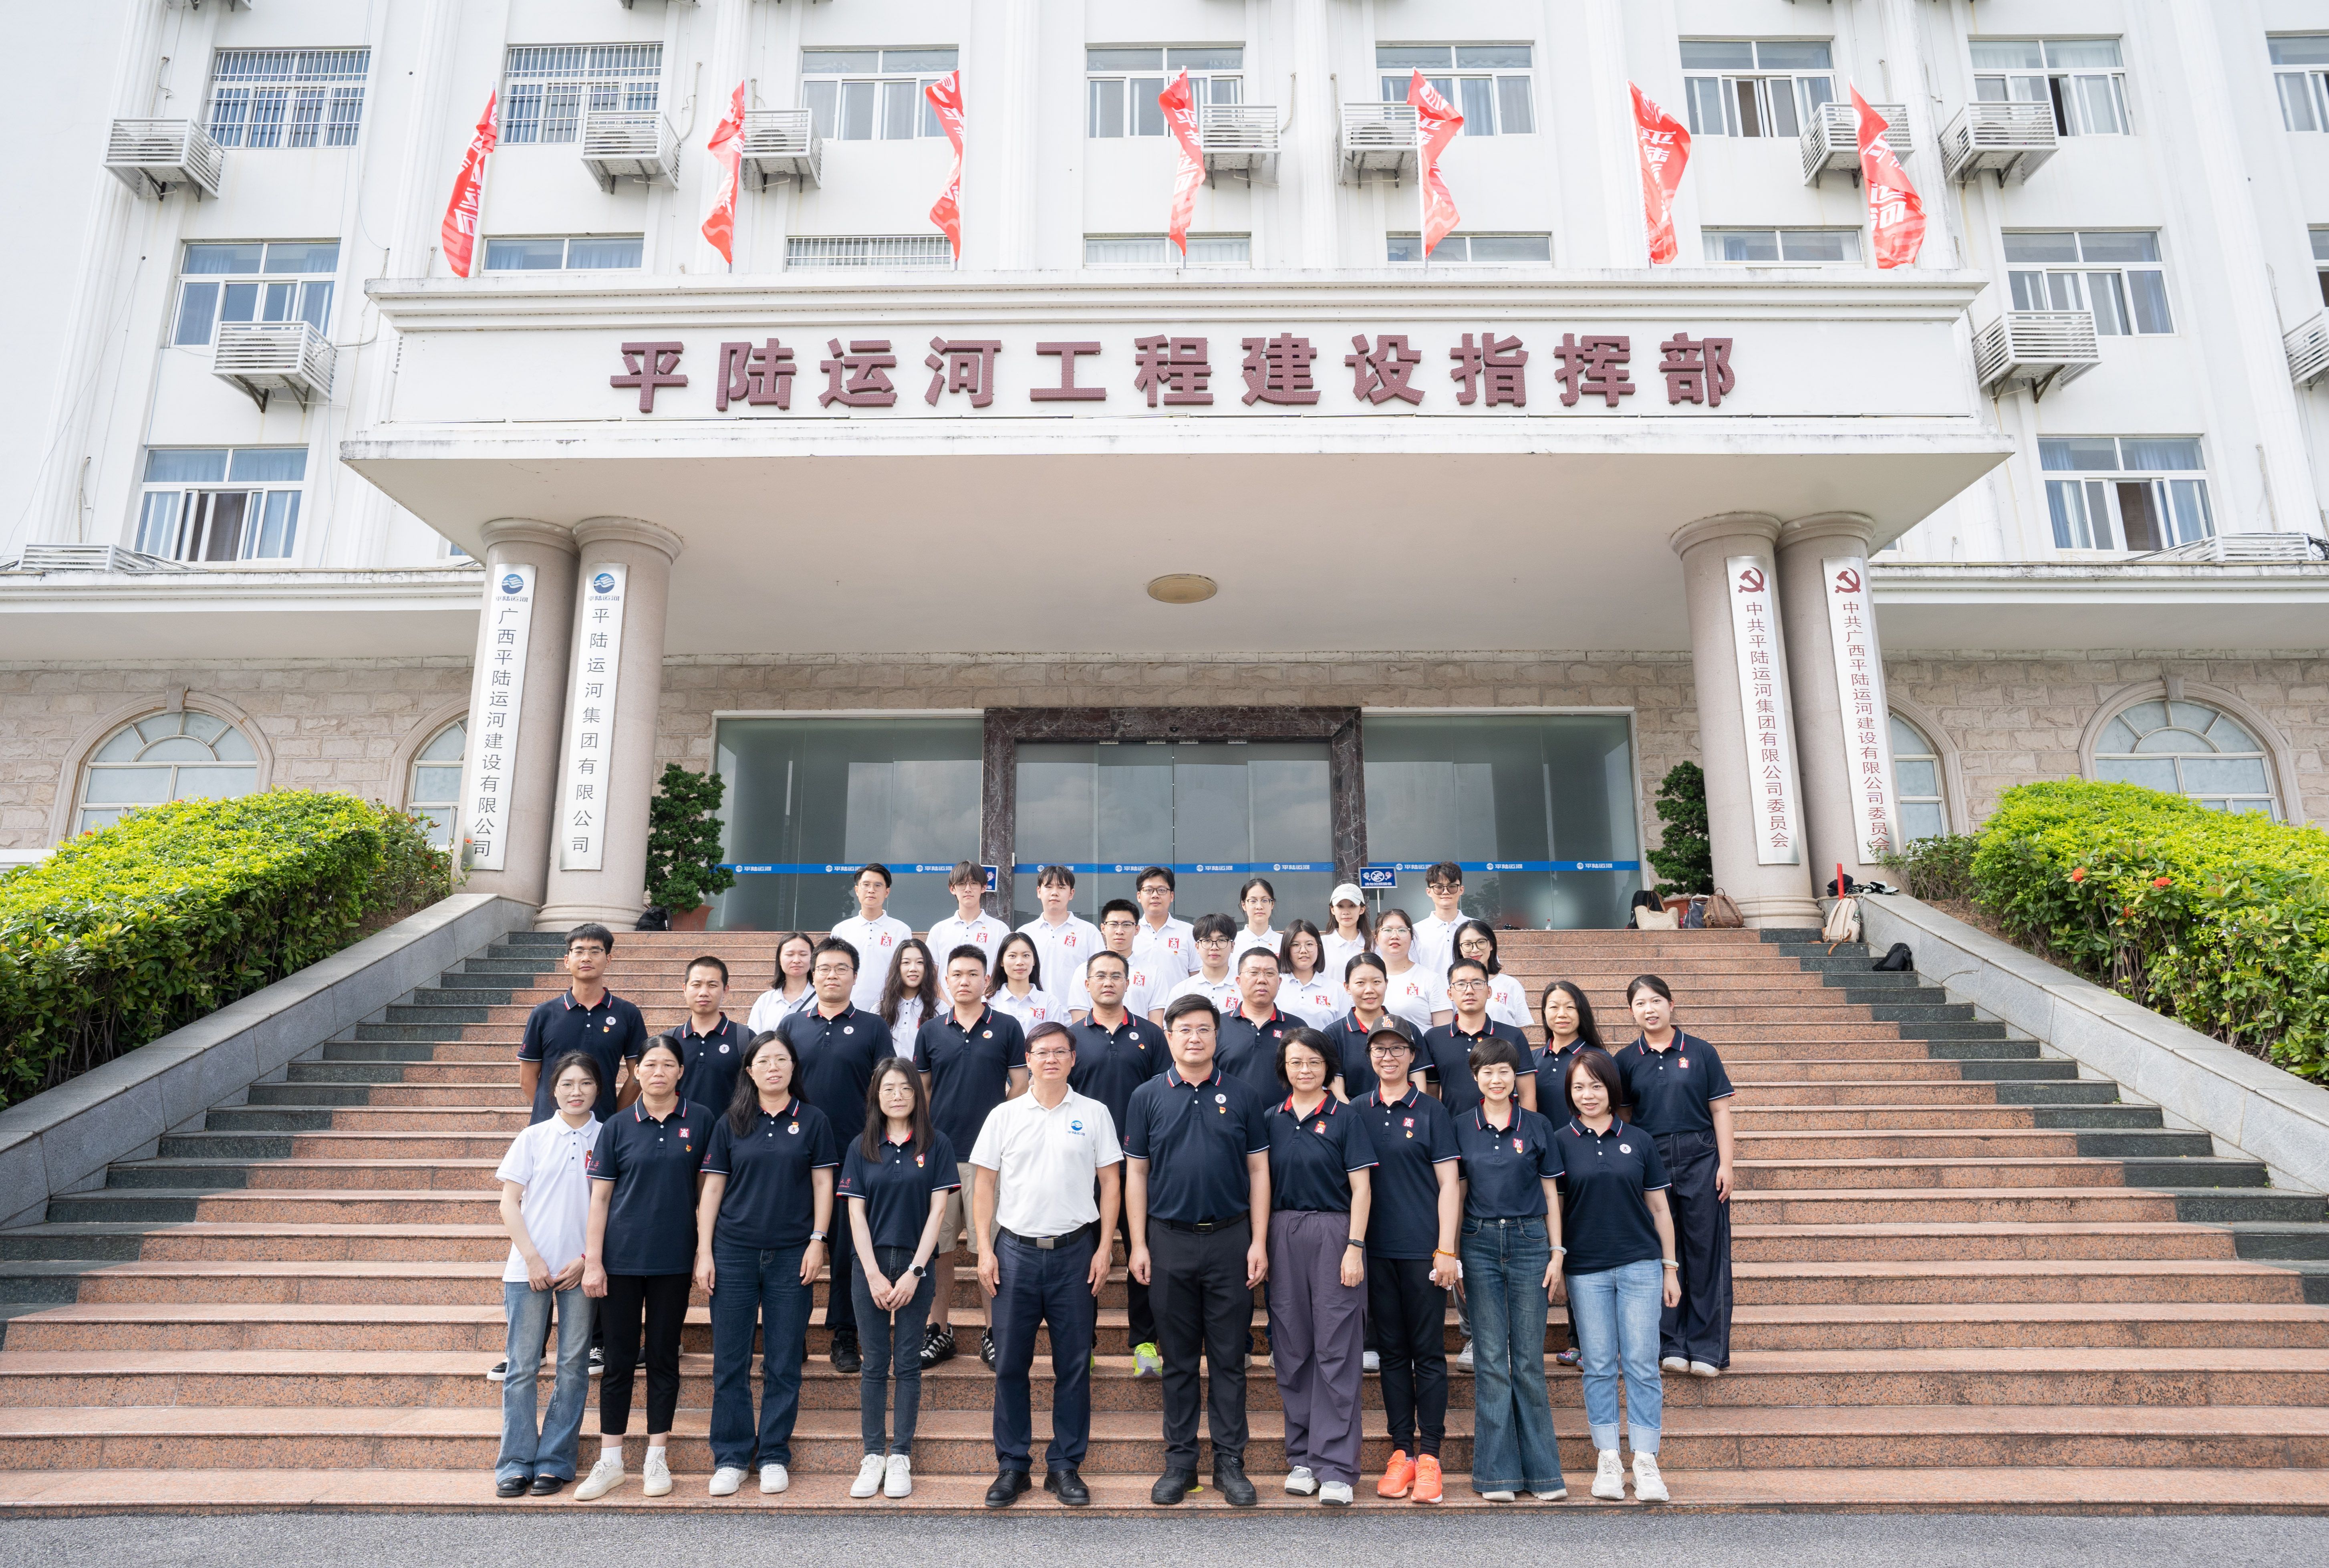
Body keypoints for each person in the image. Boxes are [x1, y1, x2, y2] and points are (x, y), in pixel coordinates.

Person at [1123, 995, 1273, 1508]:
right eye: (1184, 1028)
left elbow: (1259, 1170)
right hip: (1169, 1240)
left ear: (1217, 1035)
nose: (1194, 1037)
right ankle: (1180, 1461)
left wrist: (1258, 1240)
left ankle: (1230, 1461)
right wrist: (1138, 1243)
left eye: (1204, 1028)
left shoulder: (1244, 1094)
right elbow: (1137, 1173)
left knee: (1230, 1358)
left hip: (1232, 1239)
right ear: (1168, 1035)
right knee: (1180, 1359)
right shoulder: (1146, 1095)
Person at [972, 1020, 1124, 1508]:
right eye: (1042, 1052)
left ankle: (1065, 1465)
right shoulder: (1005, 1115)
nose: (1052, 1059)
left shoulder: (1095, 1113)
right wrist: (984, 1248)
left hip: (1076, 1251)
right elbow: (984, 1184)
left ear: (1074, 1059)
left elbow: (1112, 1182)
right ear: (1029, 1059)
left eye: (1061, 1051)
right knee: (1010, 1363)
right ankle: (1013, 1464)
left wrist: (1105, 1247)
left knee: (1074, 1364)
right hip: (1015, 1252)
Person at [694, 1032, 838, 1497]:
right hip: (733, 1251)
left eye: (781, 1059)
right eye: (763, 1060)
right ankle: (732, 1455)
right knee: (730, 1361)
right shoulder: (731, 1121)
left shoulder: (813, 1120)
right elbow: (713, 1188)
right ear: (750, 1070)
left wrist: (818, 1241)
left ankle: (774, 1452)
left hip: (792, 1253)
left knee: (783, 1360)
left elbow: (823, 1185)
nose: (773, 1067)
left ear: (794, 1066)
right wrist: (705, 1250)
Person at [575, 1036, 709, 1500]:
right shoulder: (617, 1125)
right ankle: (611, 1460)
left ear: (681, 1072)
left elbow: (707, 1193)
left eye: (668, 1064)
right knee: (617, 1361)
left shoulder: (700, 1120)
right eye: (650, 1064)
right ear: (636, 1071)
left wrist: (704, 1251)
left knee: (663, 1358)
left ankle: (656, 1456)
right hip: (621, 1260)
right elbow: (600, 1199)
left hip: (674, 1259)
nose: (658, 1072)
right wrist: (594, 1261)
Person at [1558, 1048, 1680, 1505]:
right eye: (1578, 1087)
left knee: (1643, 1363)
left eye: (1596, 1085)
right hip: (1585, 1269)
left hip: (1640, 1265)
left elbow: (1660, 1209)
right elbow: (1556, 1208)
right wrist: (1557, 1261)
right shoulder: (1560, 1141)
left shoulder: (1640, 1140)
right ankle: (1608, 1457)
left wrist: (1670, 1267)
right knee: (1599, 1365)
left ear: (1611, 1088)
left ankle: (1646, 1460)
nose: (1588, 1095)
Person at [1263, 1028, 1376, 1507]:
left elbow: (1362, 1188)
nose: (1305, 1069)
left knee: (1336, 1347)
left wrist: (1354, 1245)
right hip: (1282, 1231)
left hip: (1334, 1232)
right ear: (1284, 1068)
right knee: (1292, 1346)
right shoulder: (1271, 1119)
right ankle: (1304, 1457)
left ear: (1328, 1066)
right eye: (1296, 1061)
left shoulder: (1346, 1117)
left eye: (1313, 1061)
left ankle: (1336, 1466)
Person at [837, 1058, 958, 1500]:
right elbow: (855, 1213)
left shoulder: (936, 1144)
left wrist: (915, 1272)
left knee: (907, 1363)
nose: (898, 1095)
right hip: (868, 1265)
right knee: (874, 1363)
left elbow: (938, 1212)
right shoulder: (862, 1145)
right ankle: (873, 1454)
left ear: (917, 1095)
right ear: (876, 1095)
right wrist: (872, 1274)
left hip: (915, 1264)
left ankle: (901, 1454)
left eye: (906, 1087)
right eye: (888, 1088)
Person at [1453, 1036, 1567, 1504]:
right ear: (1475, 1077)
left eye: (1504, 1071)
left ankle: (1544, 1474)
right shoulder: (1461, 1125)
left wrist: (1557, 1252)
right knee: (1491, 1360)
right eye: (1487, 1071)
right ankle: (1496, 1474)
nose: (1496, 1079)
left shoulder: (1537, 1125)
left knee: (1528, 1361)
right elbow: (1457, 1192)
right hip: (1478, 1241)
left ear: (1516, 1077)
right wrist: (1452, 1252)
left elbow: (1551, 1193)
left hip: (1530, 1242)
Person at [776, 937, 897, 1377]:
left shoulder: (873, 1027)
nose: (832, 975)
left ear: (855, 976)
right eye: (824, 967)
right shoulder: (792, 1024)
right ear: (812, 974)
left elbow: (887, 1089)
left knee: (848, 1249)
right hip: (796, 1152)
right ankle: (790, 1335)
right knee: (795, 1245)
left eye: (841, 968)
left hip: (854, 1153)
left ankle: (845, 1334)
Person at [1353, 1026, 1460, 1505]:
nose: (1389, 1056)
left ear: (1413, 1055)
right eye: (1380, 1049)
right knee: (1392, 1354)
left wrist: (1446, 1248)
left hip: (1423, 1252)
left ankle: (1431, 1454)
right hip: (1376, 1252)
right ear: (1369, 1055)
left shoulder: (1432, 1111)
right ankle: (1402, 1452)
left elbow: (1450, 1184)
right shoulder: (1358, 1110)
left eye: (1398, 1048)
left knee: (1429, 1352)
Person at [492, 1052, 600, 1497]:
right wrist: (533, 1259)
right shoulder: (533, 1137)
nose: (577, 1091)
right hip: (527, 1269)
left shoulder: (608, 1136)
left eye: (586, 1083)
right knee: (521, 1367)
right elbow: (508, 1203)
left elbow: (613, 1207)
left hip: (581, 1270)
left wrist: (587, 1259)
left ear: (598, 1089)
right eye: (567, 1084)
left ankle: (555, 1461)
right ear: (552, 1090)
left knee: (573, 1367)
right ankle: (515, 1462)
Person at [1618, 974, 1737, 1381]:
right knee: (1661, 1250)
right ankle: (1670, 1342)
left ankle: (1707, 1347)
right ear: (1631, 1012)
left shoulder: (1701, 1052)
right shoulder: (1626, 1059)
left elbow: (1720, 1110)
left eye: (1655, 1000)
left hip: (1701, 1155)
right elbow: (1625, 1116)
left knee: (1705, 1249)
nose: (1649, 1009)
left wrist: (1726, 1164)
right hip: (1650, 1158)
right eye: (1640, 1003)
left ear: (1671, 1004)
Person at [916, 945, 1029, 1369]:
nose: (964, 981)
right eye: (957, 974)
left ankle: (994, 1332)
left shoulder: (1007, 1027)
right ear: (946, 980)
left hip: (990, 1160)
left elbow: (1021, 1082)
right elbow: (923, 1090)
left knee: (991, 1248)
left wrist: (999, 1122)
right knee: (940, 1249)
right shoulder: (931, 1030)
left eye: (973, 974)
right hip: (941, 1156)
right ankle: (938, 1330)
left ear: (987, 980)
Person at [1066, 949, 1168, 1379]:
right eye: (1100, 976)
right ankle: (1082, 1343)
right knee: (1082, 1259)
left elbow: (1165, 1097)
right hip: (1084, 1170)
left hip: (1140, 1168)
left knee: (1143, 1256)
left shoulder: (1151, 1035)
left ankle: (1144, 1343)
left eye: (1116, 976)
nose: (1108, 982)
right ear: (1087, 984)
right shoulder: (1070, 1037)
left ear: (1129, 983)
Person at [1529, 979, 1609, 1368]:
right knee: (1551, 1247)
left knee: (1584, 1247)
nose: (1561, 1014)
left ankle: (1584, 1339)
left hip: (1587, 1165)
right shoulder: (1533, 1058)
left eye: (1569, 1007)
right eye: (1553, 1007)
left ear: (1582, 1013)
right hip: (1544, 1167)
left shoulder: (1596, 1057)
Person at [516, 923, 645, 1125]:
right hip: (550, 1128)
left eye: (595, 951)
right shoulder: (543, 1014)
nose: (586, 958)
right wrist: (554, 1115)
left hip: (601, 1126)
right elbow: (527, 1079)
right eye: (579, 951)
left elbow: (638, 1074)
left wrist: (614, 1118)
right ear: (567, 961)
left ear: (608, 959)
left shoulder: (628, 1014)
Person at [1418, 958, 1532, 1117]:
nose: (1469, 991)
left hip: (1505, 1128)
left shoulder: (1513, 1035)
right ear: (1450, 994)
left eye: (1477, 983)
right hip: (1452, 1127)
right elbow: (1432, 1094)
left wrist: (1528, 1127)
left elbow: (1527, 1094)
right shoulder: (1434, 1038)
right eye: (1461, 984)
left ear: (1489, 991)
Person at [668, 955, 750, 1122]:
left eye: (712, 985)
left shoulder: (745, 1038)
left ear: (725, 990)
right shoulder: (669, 1041)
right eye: (696, 985)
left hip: (731, 1132)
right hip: (681, 1133)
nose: (704, 992)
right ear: (684, 989)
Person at [1321, 953, 1412, 1102]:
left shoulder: (1407, 1029)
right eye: (1360, 983)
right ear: (1347, 987)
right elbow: (1336, 1087)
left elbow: (1418, 1080)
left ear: (1386, 984)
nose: (1369, 990)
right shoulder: (1334, 1034)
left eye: (1376, 982)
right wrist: (1353, 1114)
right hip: (1352, 1112)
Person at [1217, 946, 1301, 1095]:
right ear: (1239, 981)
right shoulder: (1217, 1026)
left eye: (1270, 973)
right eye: (1254, 973)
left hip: (1285, 1110)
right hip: (1228, 1109)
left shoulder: (1297, 1027)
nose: (1262, 980)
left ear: (1279, 982)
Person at [1067, 899, 1163, 1021]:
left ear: (1137, 929)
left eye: (1127, 925)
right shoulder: (1084, 971)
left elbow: (1155, 1025)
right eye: (1113, 924)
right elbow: (1080, 1023)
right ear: (1103, 928)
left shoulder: (1153, 973)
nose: (1119, 931)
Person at [833, 864, 912, 1012]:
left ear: (887, 892)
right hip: (847, 1008)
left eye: (878, 885)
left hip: (889, 1008)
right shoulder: (841, 930)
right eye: (866, 885)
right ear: (857, 890)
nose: (871, 890)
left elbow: (906, 971)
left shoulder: (901, 930)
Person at [1018, 865, 1102, 1003]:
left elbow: (1100, 975)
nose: (1055, 893)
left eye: (1062, 888)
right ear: (1039, 892)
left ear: (1071, 894)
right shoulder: (1025, 933)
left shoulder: (1089, 932)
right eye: (1049, 887)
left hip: (1077, 1011)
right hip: (1034, 1010)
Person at [1374, 909, 1451, 1036]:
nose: (1395, 936)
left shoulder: (1430, 980)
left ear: (1411, 937)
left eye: (1402, 930)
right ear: (1376, 938)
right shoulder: (1368, 980)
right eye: (1387, 930)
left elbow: (1444, 1035)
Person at [1449, 920, 1532, 1032]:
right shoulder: (1453, 986)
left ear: (1491, 945)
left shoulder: (1511, 985)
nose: (1475, 950)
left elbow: (1520, 1031)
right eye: (1468, 944)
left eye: (1481, 942)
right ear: (1460, 949)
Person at [1156, 911, 1239, 1022]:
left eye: (1222, 941)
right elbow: (1170, 1029)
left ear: (1232, 946)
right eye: (1207, 941)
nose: (1214, 947)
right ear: (1197, 947)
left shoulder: (1244, 988)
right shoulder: (1181, 990)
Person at [926, 861, 1009, 970]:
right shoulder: (939, 930)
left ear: (984, 887)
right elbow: (931, 972)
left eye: (974, 883)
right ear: (952, 889)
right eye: (962, 884)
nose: (968, 889)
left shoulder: (1000, 929)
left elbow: (1004, 971)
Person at [987, 931, 1066, 1029]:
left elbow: (1056, 1036)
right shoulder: (989, 1002)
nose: (1020, 962)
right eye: (1012, 956)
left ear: (1034, 961)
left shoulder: (1049, 1002)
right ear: (1001, 961)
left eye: (1026, 956)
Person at [1132, 865, 1196, 983]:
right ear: (1139, 896)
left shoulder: (1189, 932)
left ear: (1172, 896)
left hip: (1178, 996)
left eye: (1162, 890)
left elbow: (1196, 976)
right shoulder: (1130, 932)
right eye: (1149, 890)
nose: (1155, 895)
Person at [879, 938, 938, 1067]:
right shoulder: (879, 1009)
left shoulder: (940, 1009)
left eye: (920, 963)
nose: (913, 969)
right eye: (906, 962)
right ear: (897, 967)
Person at [746, 932, 818, 1034]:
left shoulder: (822, 999)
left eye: (803, 955)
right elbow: (754, 1039)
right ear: (779, 960)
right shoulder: (766, 1001)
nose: (796, 960)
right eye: (790, 955)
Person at [1275, 919, 1341, 1027]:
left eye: (1309, 944)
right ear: (1286, 949)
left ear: (1319, 947)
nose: (1303, 950)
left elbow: (1344, 1032)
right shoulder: (1275, 985)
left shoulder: (1336, 989)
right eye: (1296, 945)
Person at [1409, 863, 1469, 979]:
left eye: (1452, 886)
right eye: (1439, 887)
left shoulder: (1477, 928)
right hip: (1429, 991)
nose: (1445, 892)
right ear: (1429, 891)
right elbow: (1412, 970)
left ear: (1461, 890)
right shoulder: (1416, 931)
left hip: (1469, 990)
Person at [1320, 883, 1373, 985]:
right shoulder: (1322, 944)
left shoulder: (1374, 945)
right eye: (1340, 906)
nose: (1346, 912)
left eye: (1352, 906)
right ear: (1333, 910)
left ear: (1362, 909)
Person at [1231, 876, 1281, 960]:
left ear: (1272, 904)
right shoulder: (1232, 943)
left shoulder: (1284, 943)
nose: (1259, 907)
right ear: (1244, 905)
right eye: (1253, 901)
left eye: (1265, 901)